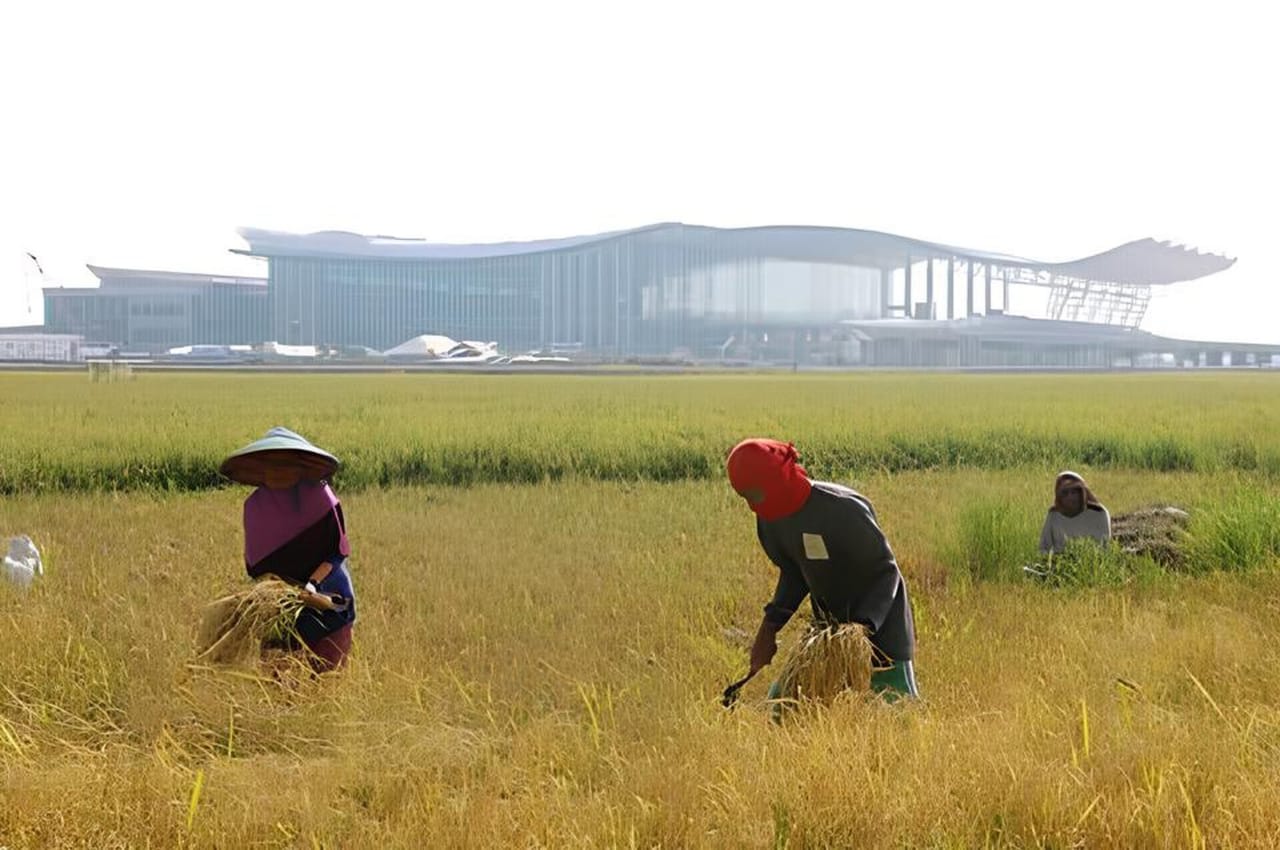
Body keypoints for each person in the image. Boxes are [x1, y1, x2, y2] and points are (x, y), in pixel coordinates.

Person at [727, 438, 918, 702]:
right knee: (785, 707)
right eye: (745, 496)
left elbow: (886, 573)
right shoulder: (771, 520)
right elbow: (795, 574)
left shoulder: (843, 509)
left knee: (898, 717)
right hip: (827, 637)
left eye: (757, 494)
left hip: (882, 632)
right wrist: (769, 628)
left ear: (779, 478)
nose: (753, 504)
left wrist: (860, 630)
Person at [219, 427, 357, 671]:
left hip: (328, 599)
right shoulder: (254, 507)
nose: (278, 472)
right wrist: (274, 592)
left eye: (285, 464)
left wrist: (312, 586)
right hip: (280, 610)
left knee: (327, 682)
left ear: (300, 467)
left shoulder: (321, 497)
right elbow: (256, 567)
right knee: (280, 686)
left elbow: (337, 551)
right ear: (260, 469)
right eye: (272, 465)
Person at [1038, 470, 1111, 555]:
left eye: (1074, 492)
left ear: (1082, 492)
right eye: (1065, 493)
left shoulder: (1099, 513)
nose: (1070, 497)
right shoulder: (1053, 515)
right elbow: (1043, 548)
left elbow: (1103, 549)